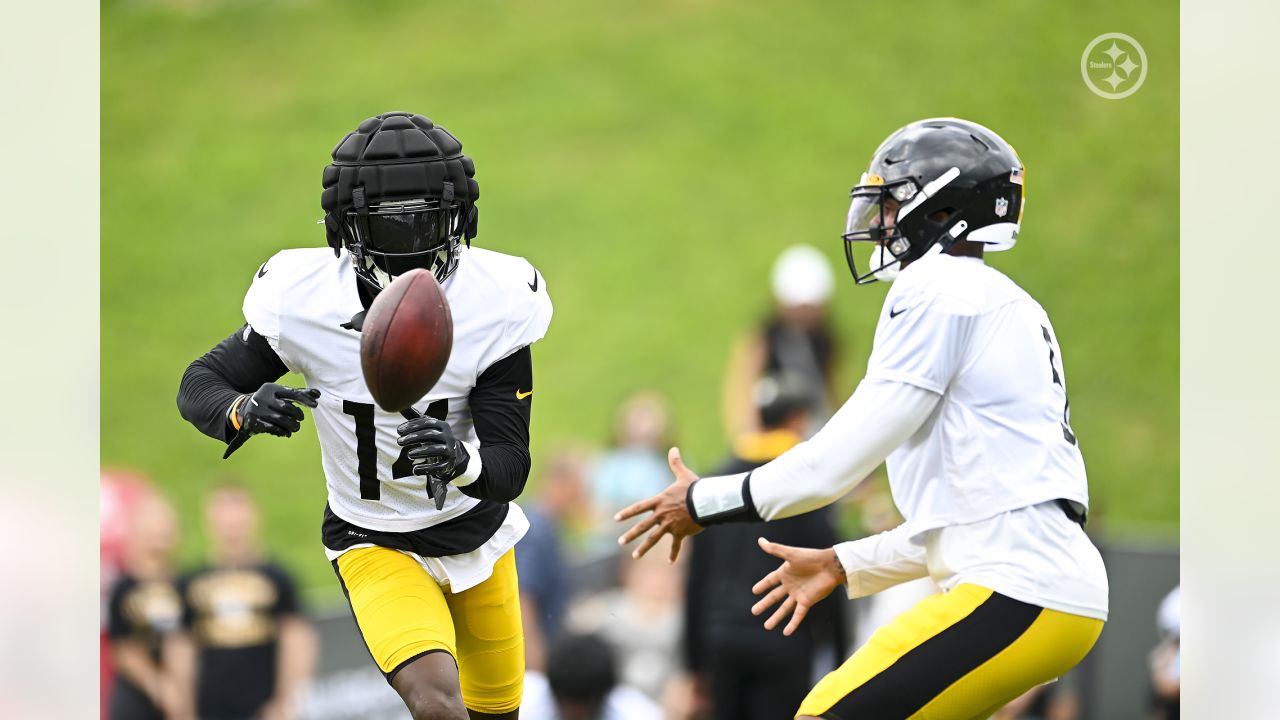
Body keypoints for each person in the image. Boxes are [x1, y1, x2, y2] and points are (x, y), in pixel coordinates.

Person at [617, 118, 1108, 719]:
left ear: (939, 210)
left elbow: (835, 462)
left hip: (1017, 588)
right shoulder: (1005, 302)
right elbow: (971, 517)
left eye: (893, 200)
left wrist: (703, 502)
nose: (880, 220)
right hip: (1046, 588)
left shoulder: (936, 288)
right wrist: (843, 562)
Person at [178, 111, 553, 720]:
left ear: (457, 216)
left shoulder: (495, 303)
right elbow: (200, 384)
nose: (411, 240)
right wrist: (243, 409)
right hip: (372, 538)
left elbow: (510, 467)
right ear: (348, 227)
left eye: (425, 217)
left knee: (496, 715)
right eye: (389, 220)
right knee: (436, 704)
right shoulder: (305, 303)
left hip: (477, 533)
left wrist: (460, 461)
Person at [684, 372, 846, 720]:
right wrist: (839, 654)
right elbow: (829, 566)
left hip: (721, 639)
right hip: (784, 638)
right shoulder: (807, 487)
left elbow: (697, 578)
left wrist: (693, 662)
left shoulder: (718, 480)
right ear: (797, 419)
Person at [170, 484, 316, 720]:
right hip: (209, 708)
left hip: (263, 707)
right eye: (223, 516)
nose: (231, 526)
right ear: (209, 520)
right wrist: (183, 709)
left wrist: (285, 702)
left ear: (254, 517)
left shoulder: (276, 576)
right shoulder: (191, 583)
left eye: (237, 516)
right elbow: (181, 647)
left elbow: (297, 640)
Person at [721, 244, 839, 441]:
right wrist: (751, 440)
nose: (804, 316)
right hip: (773, 439)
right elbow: (742, 394)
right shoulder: (762, 340)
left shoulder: (824, 342)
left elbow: (831, 394)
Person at [105, 493, 184, 720]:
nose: (158, 537)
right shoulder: (123, 588)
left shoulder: (185, 585)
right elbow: (122, 647)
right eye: (152, 530)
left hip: (181, 694)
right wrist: (156, 684)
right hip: (136, 697)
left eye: (164, 529)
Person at [520, 633, 662, 720]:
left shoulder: (638, 714)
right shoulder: (522, 703)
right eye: (567, 704)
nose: (574, 714)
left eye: (584, 705)